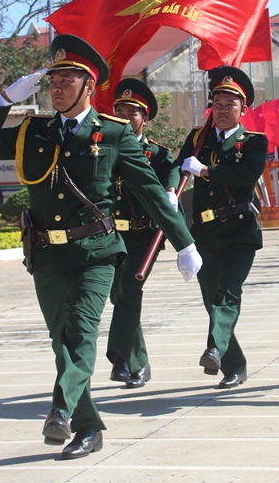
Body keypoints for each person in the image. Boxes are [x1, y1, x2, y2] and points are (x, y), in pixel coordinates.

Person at [0, 35, 200, 460]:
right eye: (52, 79)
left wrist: (184, 243)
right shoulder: (32, 132)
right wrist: (4, 98)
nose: (56, 87)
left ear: (89, 86)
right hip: (46, 256)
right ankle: (90, 427)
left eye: (67, 79)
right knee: (63, 343)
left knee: (79, 334)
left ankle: (61, 409)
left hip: (96, 252)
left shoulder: (112, 134)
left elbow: (150, 191)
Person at [177, 66, 268, 390]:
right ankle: (235, 365)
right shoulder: (198, 139)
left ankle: (214, 347)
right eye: (218, 103)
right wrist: (170, 187)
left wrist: (205, 172)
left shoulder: (255, 142)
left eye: (231, 104)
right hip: (204, 234)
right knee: (211, 299)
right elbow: (180, 168)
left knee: (227, 294)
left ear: (243, 109)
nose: (224, 109)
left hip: (240, 232)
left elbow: (245, 175)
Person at [105, 78, 179, 389]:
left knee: (128, 291)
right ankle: (140, 364)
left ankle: (119, 357)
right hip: (110, 236)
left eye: (131, 113)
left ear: (144, 118)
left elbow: (172, 169)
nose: (123, 117)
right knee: (117, 296)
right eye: (119, 111)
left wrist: (172, 189)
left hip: (142, 237)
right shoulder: (104, 149)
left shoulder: (157, 154)